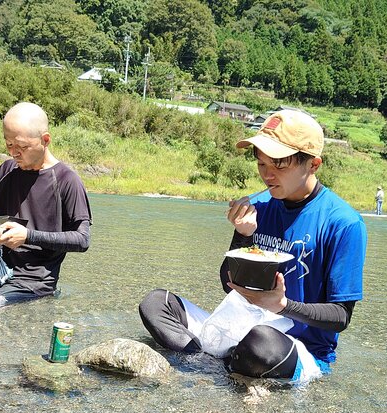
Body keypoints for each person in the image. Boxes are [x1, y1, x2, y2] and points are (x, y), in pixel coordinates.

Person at [139, 109, 367, 383]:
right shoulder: (258, 210)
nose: (267, 175)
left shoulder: (343, 223)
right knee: (156, 303)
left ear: (313, 164)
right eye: (261, 164)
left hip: (294, 347)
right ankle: (218, 363)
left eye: (279, 164)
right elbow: (228, 284)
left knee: (259, 343)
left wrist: (283, 306)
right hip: (240, 327)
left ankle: (216, 363)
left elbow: (340, 317)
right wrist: (243, 234)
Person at [0, 102, 92, 310]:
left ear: (45, 140)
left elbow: (82, 240)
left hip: (31, 281)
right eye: (8, 145)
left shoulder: (67, 181)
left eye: (21, 147)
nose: (14, 153)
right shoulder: (6, 170)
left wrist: (28, 236)